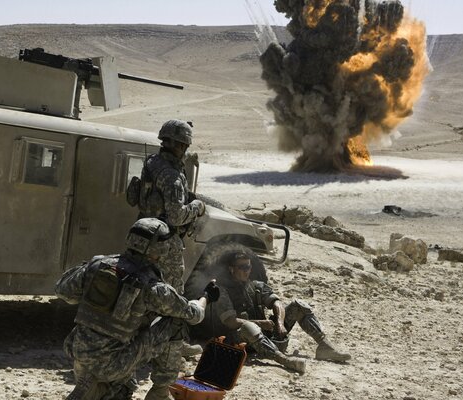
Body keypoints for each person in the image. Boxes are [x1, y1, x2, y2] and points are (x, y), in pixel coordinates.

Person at [55, 218, 220, 400]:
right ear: (160, 249)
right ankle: (160, 392)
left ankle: (105, 387)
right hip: (113, 365)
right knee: (176, 321)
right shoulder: (152, 286)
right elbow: (194, 314)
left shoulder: (98, 265)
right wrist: (205, 297)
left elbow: (63, 291)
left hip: (78, 353)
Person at [197, 251, 351, 374]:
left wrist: (279, 322)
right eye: (242, 267)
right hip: (240, 340)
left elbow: (276, 302)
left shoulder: (255, 286)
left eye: (248, 267)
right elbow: (230, 321)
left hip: (267, 334)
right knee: (249, 327)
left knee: (298, 305)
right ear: (232, 269)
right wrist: (260, 323)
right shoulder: (223, 291)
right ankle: (284, 360)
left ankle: (324, 345)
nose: (247, 271)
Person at [132, 119, 205, 295]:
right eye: (185, 147)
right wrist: (197, 207)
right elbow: (176, 217)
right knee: (170, 294)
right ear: (180, 146)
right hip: (164, 242)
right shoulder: (172, 177)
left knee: (139, 288)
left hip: (140, 235)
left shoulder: (152, 162)